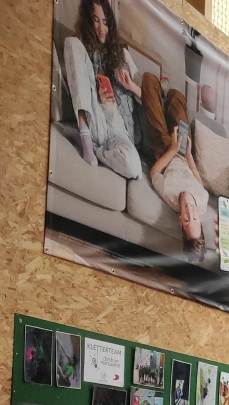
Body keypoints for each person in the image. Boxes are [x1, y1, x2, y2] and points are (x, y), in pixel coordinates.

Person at [62, 0, 142, 177]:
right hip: (95, 115)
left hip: (119, 129)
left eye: (105, 22)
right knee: (72, 43)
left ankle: (93, 147)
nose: (101, 28)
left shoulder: (123, 55)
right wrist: (98, 98)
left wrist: (131, 85)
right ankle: (85, 136)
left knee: (134, 169)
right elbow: (79, 84)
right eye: (96, 20)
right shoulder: (83, 49)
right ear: (88, 21)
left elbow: (146, 96)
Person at [141, 72, 208, 258]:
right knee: (178, 97)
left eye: (187, 220)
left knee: (148, 79)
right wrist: (187, 153)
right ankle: (166, 94)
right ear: (200, 218)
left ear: (180, 221)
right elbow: (195, 174)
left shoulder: (169, 196)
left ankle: (154, 92)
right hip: (184, 152)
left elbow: (155, 171)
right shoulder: (202, 201)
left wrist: (172, 148)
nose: (190, 212)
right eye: (194, 218)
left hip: (165, 150)